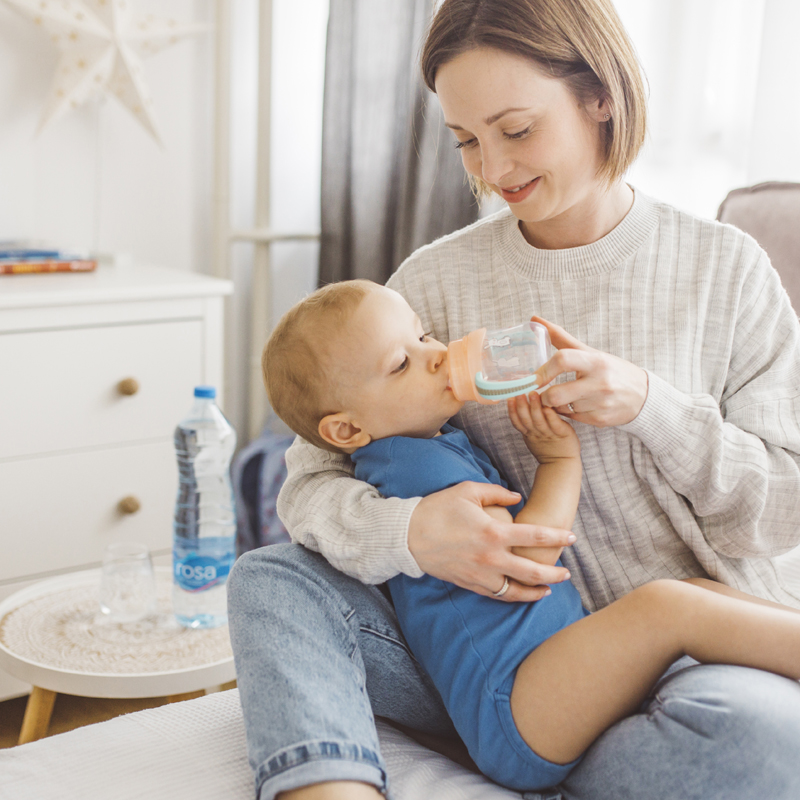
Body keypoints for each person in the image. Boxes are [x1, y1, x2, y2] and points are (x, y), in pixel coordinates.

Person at [227, 1, 800, 799]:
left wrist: (648, 405)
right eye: (467, 140)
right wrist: (413, 531)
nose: (493, 172)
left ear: (599, 95)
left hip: (682, 666)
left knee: (764, 744)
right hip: (488, 658)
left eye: (517, 130)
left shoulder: (726, 272)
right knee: (271, 580)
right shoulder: (432, 284)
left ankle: (575, 762)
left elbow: (779, 514)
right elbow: (310, 485)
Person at [258, 277, 800, 792]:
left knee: (697, 591)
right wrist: (559, 460)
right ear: (347, 430)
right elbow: (527, 557)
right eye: (403, 364)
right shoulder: (410, 468)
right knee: (667, 605)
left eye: (424, 336)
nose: (437, 354)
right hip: (514, 704)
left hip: (539, 675)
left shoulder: (428, 443)